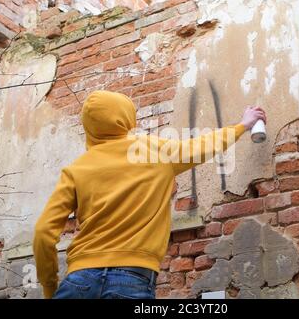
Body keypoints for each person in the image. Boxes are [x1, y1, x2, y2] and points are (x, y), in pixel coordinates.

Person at [33, 90, 267, 299]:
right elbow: (204, 146)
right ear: (125, 117)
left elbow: (44, 233)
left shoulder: (75, 169)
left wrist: (50, 288)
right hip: (132, 279)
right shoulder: (154, 151)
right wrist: (243, 125)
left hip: (78, 280)